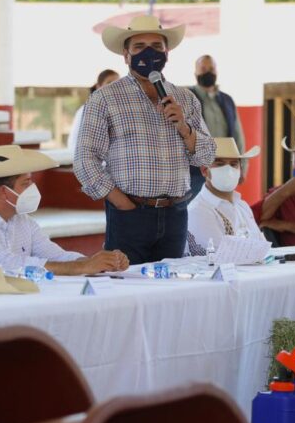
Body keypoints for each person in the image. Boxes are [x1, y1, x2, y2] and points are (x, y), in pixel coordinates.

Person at [75, 15, 216, 264]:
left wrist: (184, 128)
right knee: (129, 291)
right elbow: (85, 159)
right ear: (126, 55)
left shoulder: (185, 98)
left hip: (176, 213)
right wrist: (121, 202)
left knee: (172, 292)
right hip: (129, 213)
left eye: (156, 47)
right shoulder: (105, 98)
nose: (149, 53)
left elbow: (207, 155)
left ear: (167, 53)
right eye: (139, 47)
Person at [0, 145, 129, 279]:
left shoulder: (22, 221)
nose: (33, 188)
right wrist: (82, 266)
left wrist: (101, 263)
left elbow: (57, 256)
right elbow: (8, 265)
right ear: (4, 192)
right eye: (26, 183)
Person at [186, 138, 266, 256]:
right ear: (204, 170)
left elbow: (263, 248)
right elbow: (223, 255)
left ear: (240, 170)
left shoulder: (242, 206)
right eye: (220, 164)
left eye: (234, 164)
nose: (228, 170)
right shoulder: (198, 210)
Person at [188, 55, 247, 197]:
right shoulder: (187, 97)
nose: (208, 72)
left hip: (225, 169)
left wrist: (242, 167)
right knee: (195, 212)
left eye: (211, 68)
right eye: (203, 68)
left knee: (222, 208)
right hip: (195, 172)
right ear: (195, 73)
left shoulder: (227, 100)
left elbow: (238, 135)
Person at [68, 69, 119, 152]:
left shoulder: (122, 111)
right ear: (98, 86)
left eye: (117, 83)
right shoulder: (86, 110)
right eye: (109, 83)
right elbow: (73, 143)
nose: (114, 87)